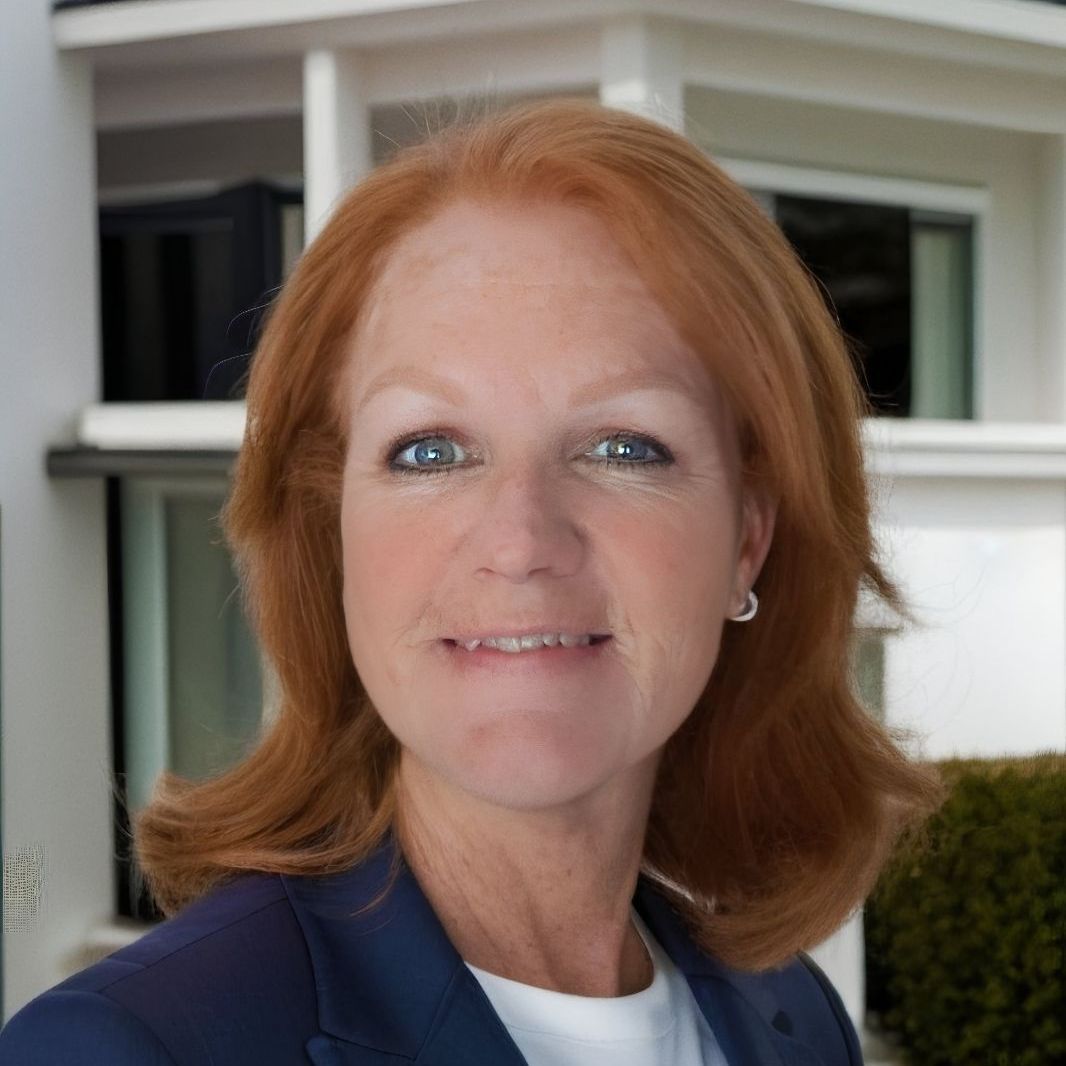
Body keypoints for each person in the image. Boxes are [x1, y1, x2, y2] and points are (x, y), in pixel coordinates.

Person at [0, 98, 941, 1065]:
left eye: (624, 446)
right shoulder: (126, 1047)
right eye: (431, 451)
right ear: (331, 529)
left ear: (747, 539)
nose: (521, 539)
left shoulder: (795, 1020)